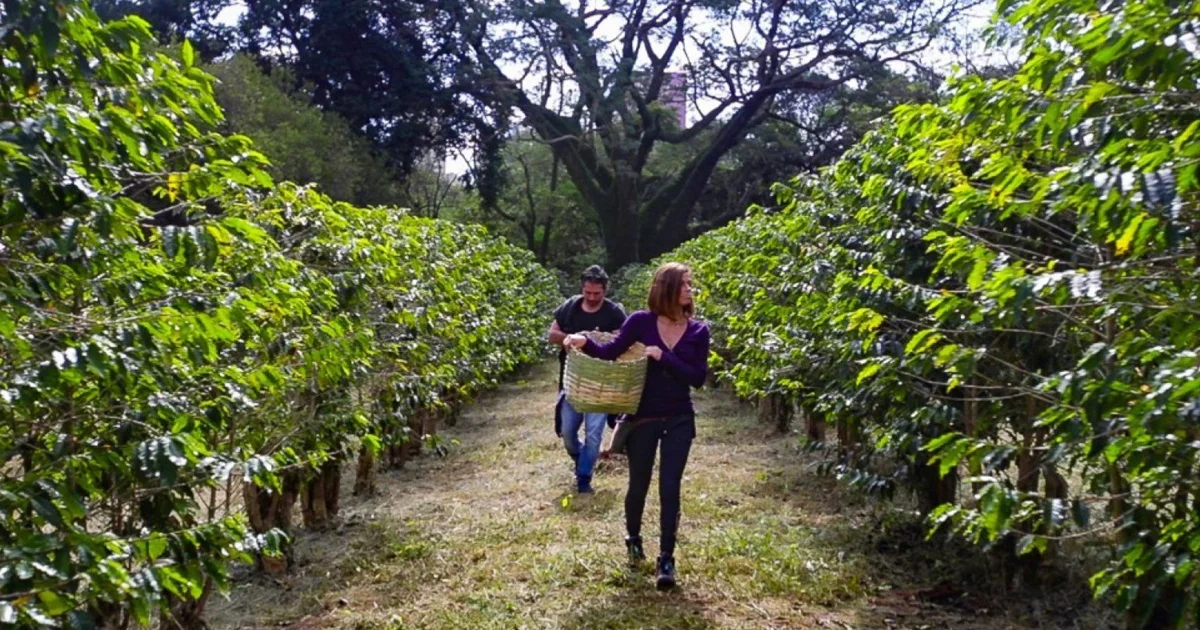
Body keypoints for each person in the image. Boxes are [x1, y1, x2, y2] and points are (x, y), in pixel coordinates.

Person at [563, 262, 709, 591]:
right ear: (666, 288)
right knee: (638, 484)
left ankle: (666, 558)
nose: (690, 290)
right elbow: (610, 352)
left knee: (670, 486)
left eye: (691, 284)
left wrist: (664, 357)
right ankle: (633, 538)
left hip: (679, 417)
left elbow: (698, 378)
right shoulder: (641, 322)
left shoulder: (698, 331)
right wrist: (583, 341)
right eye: (684, 284)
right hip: (643, 418)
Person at [548, 265, 627, 494]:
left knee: (593, 435)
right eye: (588, 293)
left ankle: (583, 479)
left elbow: (624, 341)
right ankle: (581, 458)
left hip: (600, 384)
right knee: (568, 433)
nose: (592, 298)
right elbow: (552, 334)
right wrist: (571, 339)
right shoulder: (570, 307)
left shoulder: (614, 313)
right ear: (582, 289)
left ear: (605, 290)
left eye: (597, 294)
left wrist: (595, 341)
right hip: (572, 381)